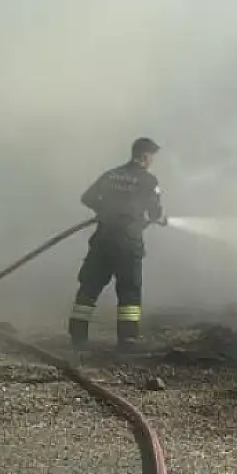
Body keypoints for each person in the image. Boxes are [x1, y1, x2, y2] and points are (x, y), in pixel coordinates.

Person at [68, 137, 166, 352]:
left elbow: (87, 197)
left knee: (89, 287)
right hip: (128, 244)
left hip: (102, 241)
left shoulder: (111, 175)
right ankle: (127, 340)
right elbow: (155, 212)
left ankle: (77, 337)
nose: (152, 161)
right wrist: (156, 218)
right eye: (152, 156)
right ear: (145, 156)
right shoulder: (149, 180)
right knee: (129, 291)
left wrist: (105, 210)